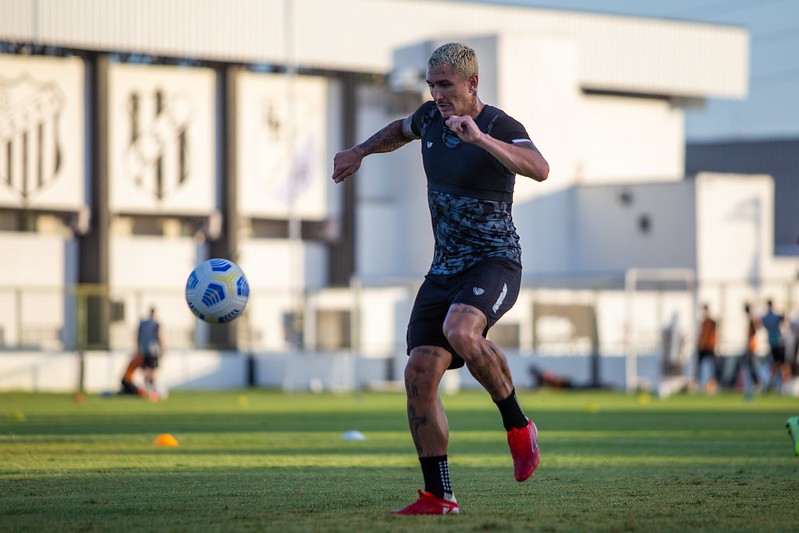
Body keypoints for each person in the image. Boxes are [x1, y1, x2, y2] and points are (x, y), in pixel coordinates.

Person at [332, 42, 549, 515]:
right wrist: (361, 151)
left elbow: (539, 168)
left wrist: (480, 141)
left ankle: (517, 426)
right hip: (444, 269)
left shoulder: (499, 126)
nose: (437, 94)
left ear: (472, 84)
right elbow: (399, 130)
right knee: (419, 372)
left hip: (495, 262)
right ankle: (439, 494)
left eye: (445, 85)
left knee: (460, 330)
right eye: (431, 85)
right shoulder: (430, 117)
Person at [120, 307, 163, 397]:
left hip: (143, 349)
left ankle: (148, 387)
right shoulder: (155, 324)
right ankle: (151, 388)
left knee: (146, 369)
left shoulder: (143, 323)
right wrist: (162, 348)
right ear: (154, 313)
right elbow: (159, 336)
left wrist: (138, 347)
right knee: (150, 370)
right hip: (152, 350)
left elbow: (138, 336)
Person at [727, 303, 760, 394]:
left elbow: (751, 333)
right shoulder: (749, 319)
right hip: (747, 347)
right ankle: (750, 384)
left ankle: (753, 384)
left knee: (749, 367)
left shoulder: (749, 320)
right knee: (747, 367)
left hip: (748, 348)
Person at [761, 299, 788, 391]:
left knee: (775, 365)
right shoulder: (775, 316)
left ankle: (770, 384)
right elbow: (783, 319)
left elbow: (763, 324)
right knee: (783, 365)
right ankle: (783, 386)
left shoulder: (765, 317)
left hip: (772, 344)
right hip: (779, 343)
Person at [695, 304, 720, 393]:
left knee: (712, 367)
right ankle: (700, 383)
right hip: (703, 347)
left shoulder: (712, 322)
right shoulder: (703, 323)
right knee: (700, 367)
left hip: (710, 347)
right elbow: (701, 335)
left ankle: (712, 384)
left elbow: (714, 335)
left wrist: (714, 344)